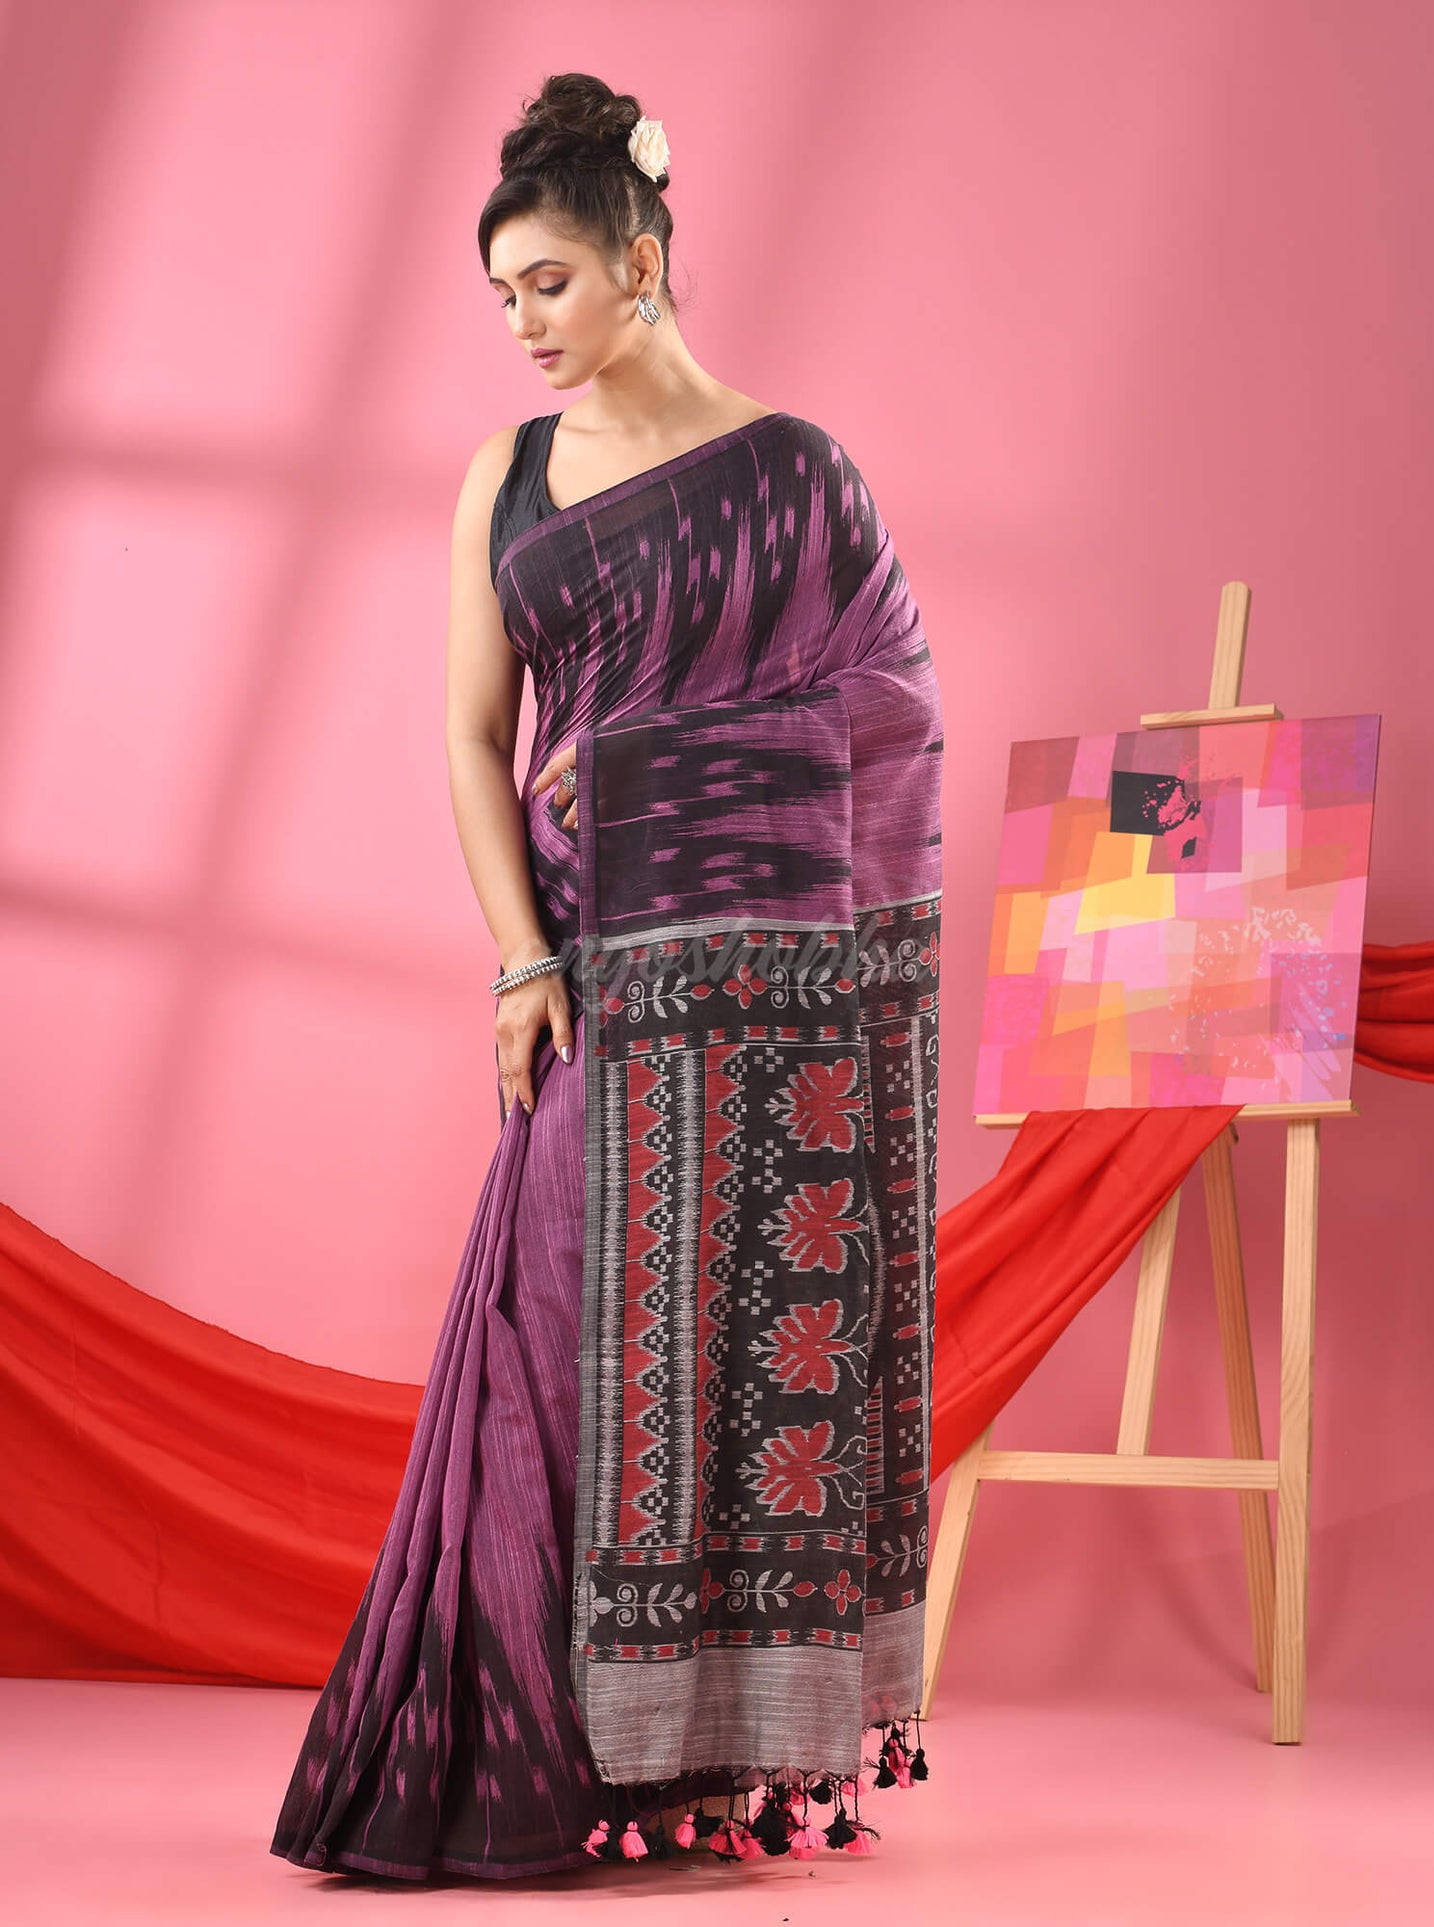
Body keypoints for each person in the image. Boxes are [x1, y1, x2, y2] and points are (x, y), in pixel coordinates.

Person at [270, 70, 942, 1882]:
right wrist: (518, 962)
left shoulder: (794, 471)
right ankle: (530, 1751)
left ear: (640, 262)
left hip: (773, 996)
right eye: (501, 293)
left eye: (548, 282)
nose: (521, 322)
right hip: (594, 964)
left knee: (741, 1353)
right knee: (556, 1341)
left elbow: (892, 711)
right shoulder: (506, 477)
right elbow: (470, 736)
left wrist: (663, 764)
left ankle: (699, 1769)